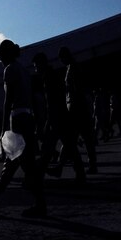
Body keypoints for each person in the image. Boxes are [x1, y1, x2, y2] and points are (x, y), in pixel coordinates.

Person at [0, 40, 46, 217]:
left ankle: (38, 203)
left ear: (6, 54)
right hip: (28, 118)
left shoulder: (9, 70)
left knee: (19, 163)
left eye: (0, 53)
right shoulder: (23, 70)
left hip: (18, 119)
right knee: (15, 162)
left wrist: (2, 129)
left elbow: (8, 100)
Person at [57, 46, 98, 175]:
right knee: (83, 139)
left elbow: (76, 90)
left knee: (71, 139)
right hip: (78, 107)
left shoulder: (72, 68)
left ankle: (60, 166)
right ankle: (90, 165)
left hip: (76, 108)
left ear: (65, 56)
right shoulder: (72, 67)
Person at [32, 52, 66, 172]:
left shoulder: (48, 77)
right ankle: (75, 173)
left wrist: (48, 122)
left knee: (47, 145)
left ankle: (39, 173)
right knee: (68, 144)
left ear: (42, 64)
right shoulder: (51, 75)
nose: (35, 69)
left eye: (36, 66)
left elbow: (52, 101)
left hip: (56, 116)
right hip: (59, 115)